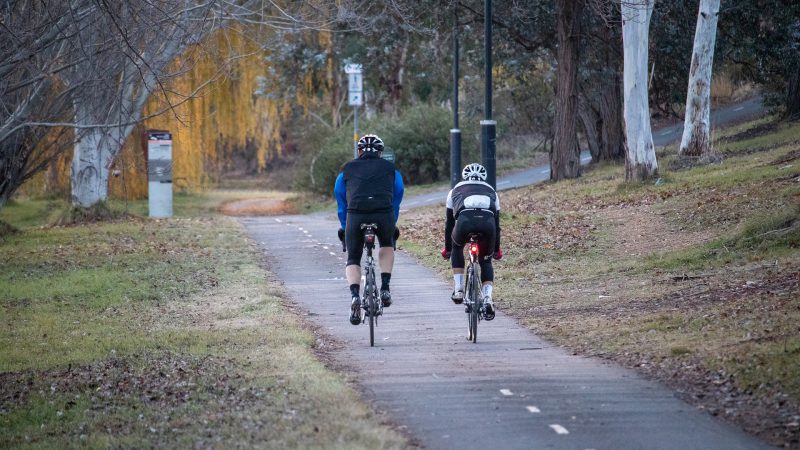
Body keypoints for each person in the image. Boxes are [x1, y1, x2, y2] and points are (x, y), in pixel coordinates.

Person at [334, 134, 404, 325]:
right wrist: (392, 222)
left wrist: (344, 225)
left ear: (359, 151)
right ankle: (386, 288)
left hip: (356, 215)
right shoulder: (391, 170)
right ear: (380, 153)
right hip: (383, 215)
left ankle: (355, 296)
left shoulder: (346, 170)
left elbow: (341, 201)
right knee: (387, 244)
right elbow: (397, 197)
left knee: (353, 258)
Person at [441, 163, 503, 320]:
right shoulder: (492, 191)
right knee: (486, 261)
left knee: (457, 247)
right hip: (487, 226)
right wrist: (496, 250)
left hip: (464, 223)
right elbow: (497, 225)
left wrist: (448, 249)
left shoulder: (454, 190)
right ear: (483, 177)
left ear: (464, 177)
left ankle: (459, 288)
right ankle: (488, 298)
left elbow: (449, 224)